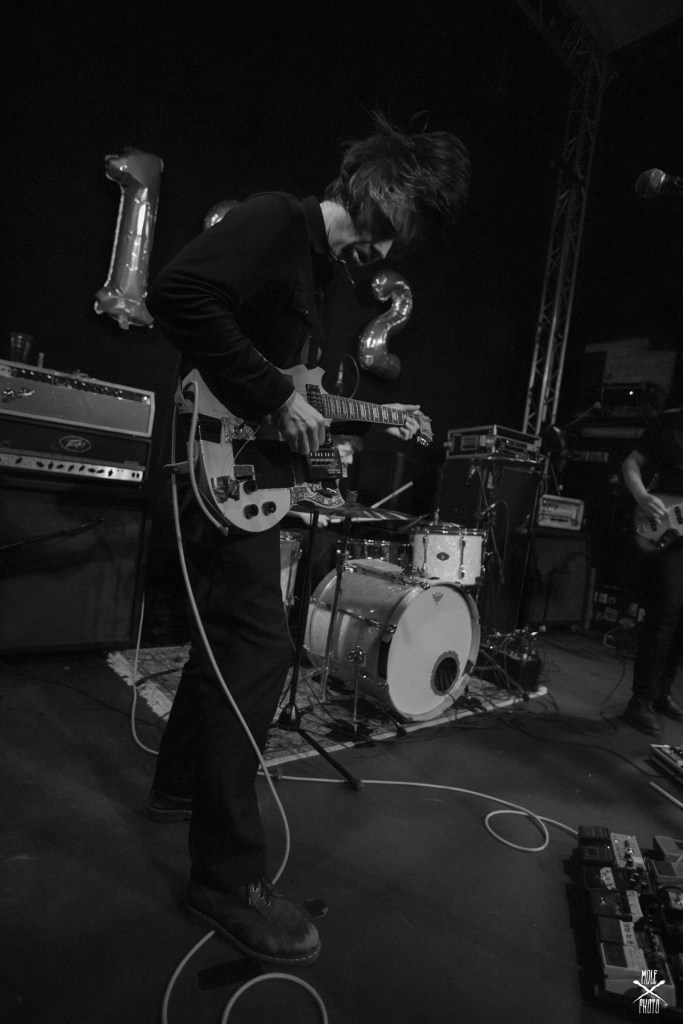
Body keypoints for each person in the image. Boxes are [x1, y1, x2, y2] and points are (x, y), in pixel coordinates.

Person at [144, 111, 471, 966]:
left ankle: (175, 787)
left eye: (395, 239)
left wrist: (328, 414)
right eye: (385, 226)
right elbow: (176, 295)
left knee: (226, 648)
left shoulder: (316, 273)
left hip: (246, 483)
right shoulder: (275, 220)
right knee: (259, 653)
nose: (381, 249)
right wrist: (270, 395)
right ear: (374, 193)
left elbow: (295, 395)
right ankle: (226, 879)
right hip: (215, 480)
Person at [621, 405, 683, 736]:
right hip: (663, 525)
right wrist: (642, 495)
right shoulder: (669, 421)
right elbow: (631, 463)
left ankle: (661, 693)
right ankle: (640, 701)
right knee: (664, 614)